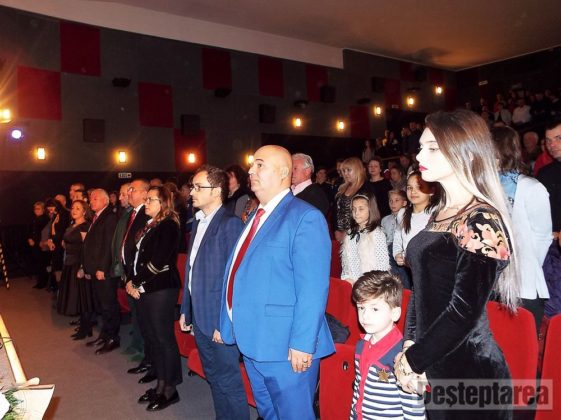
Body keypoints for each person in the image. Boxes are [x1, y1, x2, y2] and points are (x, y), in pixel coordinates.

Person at [394, 109, 518, 419]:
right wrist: (410, 345)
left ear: (466, 153)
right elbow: (421, 291)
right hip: (437, 361)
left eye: (433, 148)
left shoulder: (481, 219)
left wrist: (414, 360)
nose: (420, 155)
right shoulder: (441, 212)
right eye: (421, 147)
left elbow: (463, 312)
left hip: (470, 369)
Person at [219, 145, 335, 420]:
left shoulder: (305, 217)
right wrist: (227, 321)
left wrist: (303, 343)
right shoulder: (256, 215)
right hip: (254, 340)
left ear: (284, 173)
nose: (251, 170)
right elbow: (239, 272)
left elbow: (312, 288)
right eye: (252, 165)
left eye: (260, 165)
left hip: (286, 347)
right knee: (269, 413)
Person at [178, 165, 248, 420]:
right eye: (192, 187)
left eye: (198, 187)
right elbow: (192, 271)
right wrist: (186, 309)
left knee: (229, 380)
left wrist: (225, 322)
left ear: (217, 191)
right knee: (214, 376)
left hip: (219, 321)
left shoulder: (230, 224)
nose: (192, 192)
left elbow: (235, 279)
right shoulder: (199, 222)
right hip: (200, 317)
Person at [126, 186, 182, 411]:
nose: (146, 202)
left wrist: (135, 281)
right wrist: (132, 280)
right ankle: (160, 384)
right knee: (152, 336)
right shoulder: (151, 224)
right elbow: (137, 257)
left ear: (163, 203)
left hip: (161, 288)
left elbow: (158, 262)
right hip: (146, 287)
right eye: (147, 199)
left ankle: (170, 389)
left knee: (163, 338)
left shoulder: (168, 225)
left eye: (150, 199)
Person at [492, 127, 551, 332]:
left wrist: (522, 265)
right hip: (491, 282)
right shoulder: (484, 188)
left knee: (520, 344)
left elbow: (542, 237)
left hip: (522, 283)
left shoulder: (531, 188)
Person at [350, 271, 425, 419]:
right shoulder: (360, 346)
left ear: (395, 313)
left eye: (375, 309)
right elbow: (359, 390)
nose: (365, 316)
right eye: (361, 307)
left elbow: (414, 406)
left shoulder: (403, 355)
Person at [81, 189, 119, 354]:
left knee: (108, 305)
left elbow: (109, 245)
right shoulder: (96, 217)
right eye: (91, 199)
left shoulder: (110, 217)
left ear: (105, 201)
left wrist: (102, 268)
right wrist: (86, 267)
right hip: (95, 269)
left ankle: (113, 338)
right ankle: (104, 335)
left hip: (104, 271)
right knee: (101, 305)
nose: (91, 201)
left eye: (95, 198)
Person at [122, 179, 153, 379]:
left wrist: (135, 277)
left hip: (141, 276)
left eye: (132, 189)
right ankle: (141, 350)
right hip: (131, 272)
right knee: (137, 314)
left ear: (144, 193)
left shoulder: (146, 215)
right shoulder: (132, 214)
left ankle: (145, 353)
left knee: (145, 319)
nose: (129, 193)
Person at [392, 171, 438, 289]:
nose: (413, 192)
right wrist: (397, 253)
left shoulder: (437, 213)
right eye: (409, 188)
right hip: (412, 270)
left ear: (431, 191)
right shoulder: (402, 213)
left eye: (419, 187)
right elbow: (398, 235)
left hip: (432, 272)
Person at [537, 119, 561, 318]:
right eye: (549, 140)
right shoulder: (545, 174)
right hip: (552, 249)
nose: (553, 144)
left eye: (558, 138)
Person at [340, 193, 389, 284]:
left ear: (370, 210)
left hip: (370, 284)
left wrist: (370, 285)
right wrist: (347, 278)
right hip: (352, 282)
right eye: (353, 209)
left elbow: (383, 266)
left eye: (361, 209)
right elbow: (346, 263)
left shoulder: (377, 234)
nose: (356, 213)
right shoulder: (350, 234)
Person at [58, 200, 90, 318]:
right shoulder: (72, 225)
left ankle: (83, 319)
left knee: (78, 291)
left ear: (84, 212)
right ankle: (79, 317)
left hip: (78, 261)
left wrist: (83, 266)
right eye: (73, 208)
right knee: (70, 290)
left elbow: (86, 247)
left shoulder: (85, 226)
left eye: (78, 208)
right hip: (69, 261)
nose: (74, 211)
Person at [334, 157, 370, 241]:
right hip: (340, 234)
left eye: (349, 170)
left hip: (359, 234)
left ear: (357, 170)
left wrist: (350, 232)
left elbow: (369, 214)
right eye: (344, 171)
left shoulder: (366, 188)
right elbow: (335, 211)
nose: (345, 173)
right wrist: (336, 230)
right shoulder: (342, 188)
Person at [381, 190, 409, 286]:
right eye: (391, 201)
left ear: (404, 203)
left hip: (401, 249)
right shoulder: (385, 220)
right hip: (387, 250)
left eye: (397, 200)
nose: (393, 203)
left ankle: (405, 288)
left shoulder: (407, 217)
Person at [28, 201, 50, 289]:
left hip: (42, 245)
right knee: (38, 264)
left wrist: (35, 241)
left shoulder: (45, 219)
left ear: (43, 210)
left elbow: (44, 234)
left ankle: (42, 283)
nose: (36, 210)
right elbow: (33, 231)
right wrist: (30, 238)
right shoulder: (36, 219)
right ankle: (40, 282)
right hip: (36, 244)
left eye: (38, 209)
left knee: (42, 264)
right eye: (35, 209)